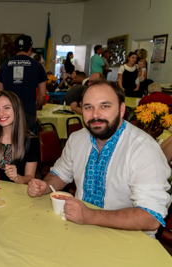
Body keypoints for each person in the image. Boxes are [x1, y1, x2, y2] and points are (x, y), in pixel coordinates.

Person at [27, 81, 171, 237]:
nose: (95, 115)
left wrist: (90, 216)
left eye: (105, 106)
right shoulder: (77, 139)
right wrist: (46, 186)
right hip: (78, 229)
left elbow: (151, 217)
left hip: (128, 239)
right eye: (88, 107)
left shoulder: (143, 148)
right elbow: (61, 173)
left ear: (122, 109)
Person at [0, 91, 39, 183]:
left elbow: (30, 177)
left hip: (16, 193)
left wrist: (17, 177)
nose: (1, 114)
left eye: (6, 108)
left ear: (16, 110)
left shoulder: (31, 141)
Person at [0, 34, 47, 132]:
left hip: (8, 112)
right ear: (30, 48)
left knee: (8, 141)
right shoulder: (37, 66)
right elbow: (43, 95)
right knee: (26, 143)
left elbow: (0, 93)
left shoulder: (4, 65)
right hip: (27, 112)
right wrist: (35, 108)